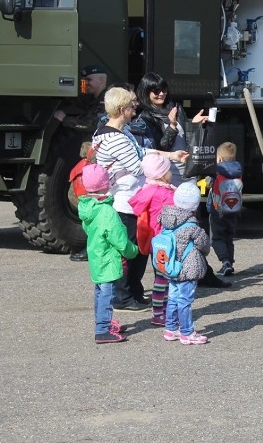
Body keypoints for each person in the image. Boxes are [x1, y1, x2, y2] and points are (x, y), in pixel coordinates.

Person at [92, 87, 188, 311]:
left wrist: (170, 155)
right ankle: (123, 297)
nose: (135, 107)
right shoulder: (116, 138)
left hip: (131, 199)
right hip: (124, 201)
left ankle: (133, 292)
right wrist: (162, 169)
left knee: (137, 250)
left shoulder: (115, 132)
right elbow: (138, 168)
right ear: (122, 109)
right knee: (128, 251)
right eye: (132, 105)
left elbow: (143, 152)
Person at [78, 163, 139, 344]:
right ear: (106, 185)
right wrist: (132, 250)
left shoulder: (88, 208)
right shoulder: (107, 211)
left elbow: (88, 228)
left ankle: (103, 322)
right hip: (108, 257)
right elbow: (118, 237)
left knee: (100, 291)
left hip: (97, 255)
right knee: (107, 293)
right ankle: (102, 329)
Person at [55, 63, 110, 262]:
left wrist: (64, 120)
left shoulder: (105, 101)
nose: (86, 84)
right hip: (92, 157)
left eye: (89, 81)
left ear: (101, 80)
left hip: (98, 157)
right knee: (82, 198)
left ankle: (95, 243)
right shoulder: (97, 100)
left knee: (89, 199)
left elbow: (91, 123)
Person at [134, 72, 208, 186]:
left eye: (164, 89)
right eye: (156, 91)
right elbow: (159, 148)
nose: (161, 94)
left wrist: (193, 124)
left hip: (188, 169)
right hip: (166, 174)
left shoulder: (176, 107)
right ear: (146, 92)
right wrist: (172, 126)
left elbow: (187, 139)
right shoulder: (145, 118)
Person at [128, 154, 177, 326]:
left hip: (152, 239)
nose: (171, 173)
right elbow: (176, 213)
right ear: (162, 175)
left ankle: (158, 312)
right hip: (166, 239)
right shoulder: (165, 193)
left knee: (160, 279)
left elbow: (135, 204)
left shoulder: (146, 189)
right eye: (168, 170)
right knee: (166, 278)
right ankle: (163, 312)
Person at [161, 182, 211, 345]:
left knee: (173, 297)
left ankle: (170, 328)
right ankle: (187, 332)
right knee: (185, 300)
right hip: (188, 268)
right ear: (195, 205)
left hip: (171, 266)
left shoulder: (167, 220)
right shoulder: (192, 226)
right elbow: (204, 245)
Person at [208, 142, 244, 277]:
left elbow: (208, 184)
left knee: (217, 238)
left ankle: (225, 262)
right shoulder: (238, 172)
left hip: (218, 211)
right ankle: (230, 262)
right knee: (229, 238)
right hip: (233, 211)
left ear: (220, 159)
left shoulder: (216, 172)